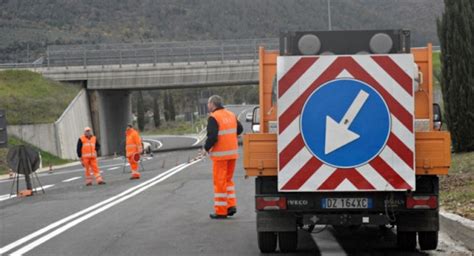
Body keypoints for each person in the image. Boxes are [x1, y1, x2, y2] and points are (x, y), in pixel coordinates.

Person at [204, 95, 243, 219]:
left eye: (208, 104)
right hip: (232, 153)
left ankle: (221, 211)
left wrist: (205, 148)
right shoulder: (231, 114)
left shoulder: (213, 117)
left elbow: (212, 136)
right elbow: (240, 129)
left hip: (220, 155)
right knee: (228, 181)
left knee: (220, 182)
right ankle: (231, 206)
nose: (207, 106)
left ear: (213, 104)